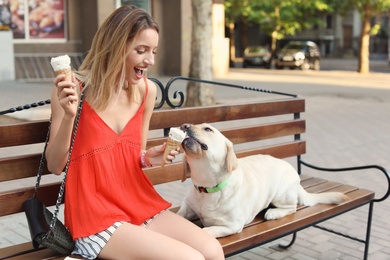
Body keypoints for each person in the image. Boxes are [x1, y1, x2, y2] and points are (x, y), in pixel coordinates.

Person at [46, 5, 224, 260]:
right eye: (141, 50)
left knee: (212, 251)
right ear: (115, 47)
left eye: (153, 51)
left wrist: (147, 158)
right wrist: (70, 116)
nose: (150, 60)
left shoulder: (145, 91)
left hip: (136, 202)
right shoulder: (73, 88)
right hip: (94, 216)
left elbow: (135, 157)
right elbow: (55, 165)